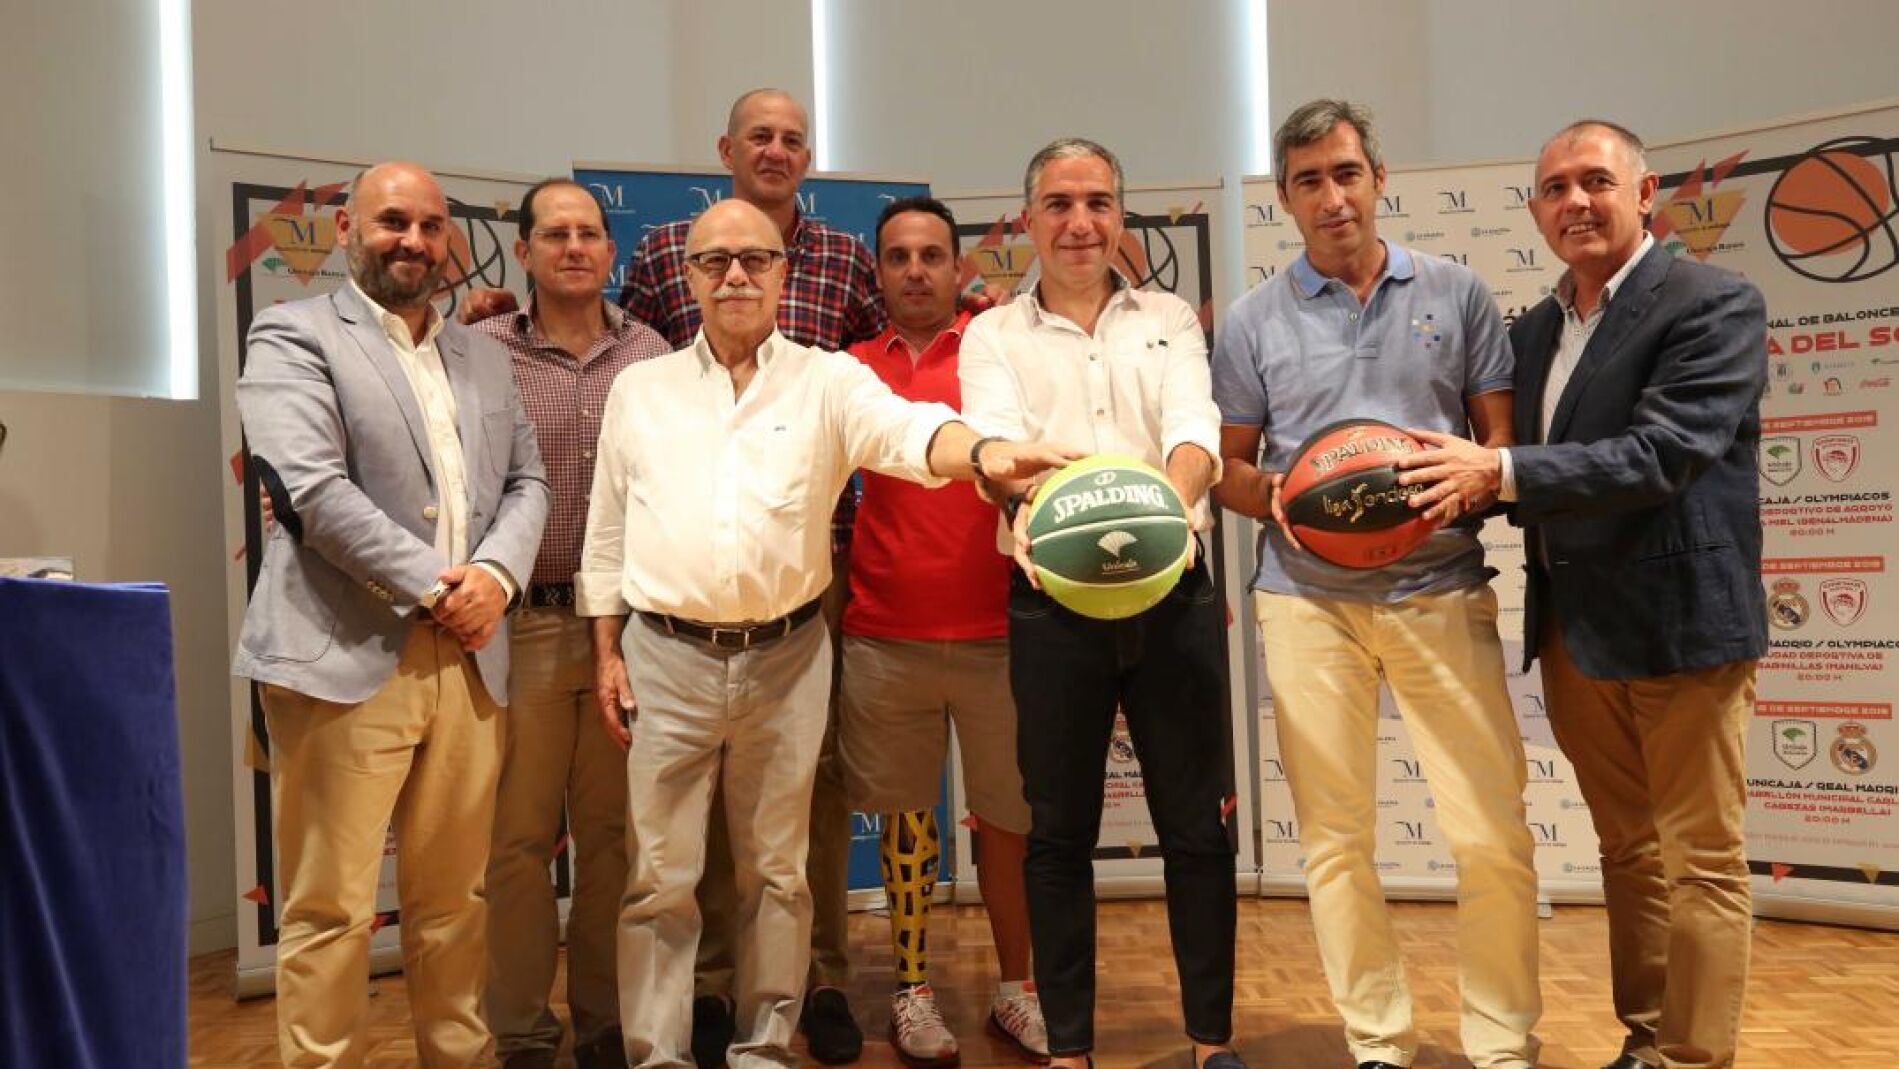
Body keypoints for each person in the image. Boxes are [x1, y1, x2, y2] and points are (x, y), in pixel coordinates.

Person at [575, 198, 1072, 1069]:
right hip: (663, 657)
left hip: (787, 658)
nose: (736, 275)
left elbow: (908, 430)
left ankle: (764, 1047)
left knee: (779, 872)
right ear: (688, 277)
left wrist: (982, 454)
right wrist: (607, 651)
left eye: (756, 260)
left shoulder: (827, 380)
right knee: (658, 876)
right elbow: (607, 531)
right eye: (716, 261)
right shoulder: (640, 389)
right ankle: (658, 1053)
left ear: (783, 274)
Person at [1397, 119, 1767, 1069]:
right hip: (1575, 635)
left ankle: (1691, 1059)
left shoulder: (1711, 302)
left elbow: (1663, 453)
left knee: (1701, 860)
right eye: (1555, 187)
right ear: (1535, 211)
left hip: (1683, 628)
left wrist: (1499, 471)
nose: (1575, 202)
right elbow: (1499, 463)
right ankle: (1645, 1040)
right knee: (1627, 851)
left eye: (1596, 181)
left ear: (1643, 194)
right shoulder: (1531, 331)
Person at [1209, 99, 1541, 1069]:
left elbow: (1498, 443)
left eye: (1346, 173)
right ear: (1284, 198)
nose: (1332, 197)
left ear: (1378, 178)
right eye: (1309, 181)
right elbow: (1229, 467)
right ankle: (1378, 1040)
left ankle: (1501, 1042)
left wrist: (1460, 480)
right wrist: (1281, 497)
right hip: (1305, 600)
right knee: (1335, 840)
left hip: (1439, 589)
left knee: (1490, 830)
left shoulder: (1456, 291)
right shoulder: (1253, 320)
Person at [233, 160, 549, 1068]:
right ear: (346, 231)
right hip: (344, 657)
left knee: (455, 902)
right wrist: (443, 588)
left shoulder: (484, 356)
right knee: (329, 908)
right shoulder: (292, 334)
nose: (413, 240)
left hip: (472, 661)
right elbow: (311, 489)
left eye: (430, 225)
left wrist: (495, 576)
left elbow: (527, 480)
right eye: (392, 221)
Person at [959, 137, 1242, 1069]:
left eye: (1096, 203)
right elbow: (997, 454)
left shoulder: (1168, 316)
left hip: (1171, 593)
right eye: (1058, 204)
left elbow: (1194, 430)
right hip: (1053, 602)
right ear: (1028, 219)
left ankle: (1209, 1041)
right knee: (1057, 833)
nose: (1079, 222)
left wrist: (1160, 512)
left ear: (1120, 215)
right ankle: (1070, 1049)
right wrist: (1044, 504)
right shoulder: (991, 335)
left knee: (1196, 827)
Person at [836, 196, 1047, 1068]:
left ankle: (1017, 988)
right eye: (898, 256)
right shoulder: (848, 369)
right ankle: (912, 992)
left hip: (1003, 632)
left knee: (1009, 821)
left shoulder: (999, 353)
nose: (916, 270)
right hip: (886, 634)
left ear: (959, 267)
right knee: (904, 823)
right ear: (878, 272)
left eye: (932, 254)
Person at [474, 178, 671, 1069]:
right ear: (523, 251)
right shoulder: (479, 349)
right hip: (518, 627)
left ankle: (603, 1023)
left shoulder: (652, 352)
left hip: (625, 636)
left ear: (610, 250)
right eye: (554, 234)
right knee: (516, 842)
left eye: (589, 233)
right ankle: (521, 1029)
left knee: (613, 839)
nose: (574, 247)